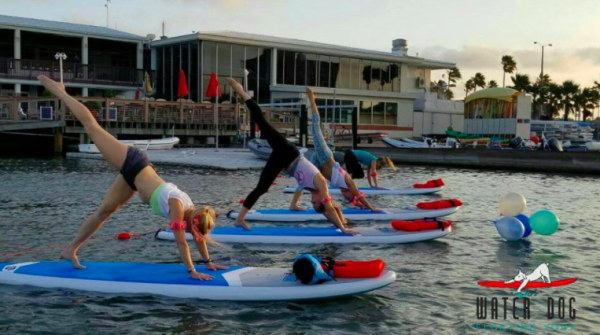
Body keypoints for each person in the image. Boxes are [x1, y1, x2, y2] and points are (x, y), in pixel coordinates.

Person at [38, 75, 225, 280]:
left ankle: (70, 250)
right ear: (192, 221)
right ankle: (59, 91)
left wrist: (208, 262)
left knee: (104, 213)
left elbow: (198, 237)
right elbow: (181, 242)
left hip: (133, 179)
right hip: (133, 162)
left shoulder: (192, 213)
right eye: (194, 230)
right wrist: (193, 271)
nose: (194, 235)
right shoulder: (178, 207)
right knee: (92, 127)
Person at [225, 78, 357, 235]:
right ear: (322, 199)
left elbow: (326, 212)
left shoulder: (314, 191)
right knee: (262, 122)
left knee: (262, 188)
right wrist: (343, 229)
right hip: (288, 152)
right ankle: (240, 91)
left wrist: (338, 223)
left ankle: (240, 219)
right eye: (315, 202)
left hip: (283, 161)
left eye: (312, 203)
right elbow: (328, 208)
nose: (312, 201)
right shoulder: (322, 185)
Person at [292, 87, 379, 211]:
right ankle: (312, 100)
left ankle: (293, 204)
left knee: (306, 177)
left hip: (319, 162)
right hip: (325, 156)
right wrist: (371, 208)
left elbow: (355, 199)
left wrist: (359, 206)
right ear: (351, 191)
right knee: (315, 129)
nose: (344, 196)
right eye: (348, 197)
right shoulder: (349, 182)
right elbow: (359, 195)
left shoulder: (343, 188)